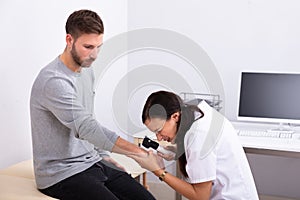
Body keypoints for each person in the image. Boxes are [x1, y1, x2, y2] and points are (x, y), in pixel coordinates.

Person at [30, 9, 155, 200]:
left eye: (98, 46)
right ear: (69, 40)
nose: (95, 55)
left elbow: (89, 117)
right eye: (88, 47)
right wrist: (139, 153)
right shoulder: (54, 81)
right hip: (61, 173)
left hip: (92, 162)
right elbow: (87, 128)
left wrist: (104, 156)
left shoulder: (86, 71)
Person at [129, 90, 259, 200]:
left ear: (175, 117)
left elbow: (200, 196)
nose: (158, 137)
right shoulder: (198, 112)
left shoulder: (199, 135)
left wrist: (159, 172)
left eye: (159, 130)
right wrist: (179, 151)